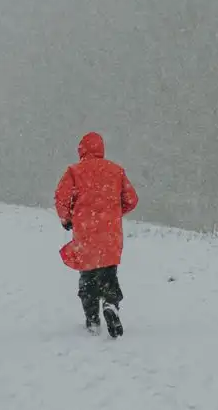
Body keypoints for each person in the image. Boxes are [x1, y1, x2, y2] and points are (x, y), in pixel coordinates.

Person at [54, 131, 138, 337]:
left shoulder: (74, 171)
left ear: (81, 149)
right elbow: (131, 199)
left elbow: (61, 198)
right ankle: (110, 304)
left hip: (86, 234)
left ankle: (92, 319)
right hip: (110, 233)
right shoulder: (116, 171)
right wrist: (114, 212)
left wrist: (67, 219)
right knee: (109, 274)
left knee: (88, 276)